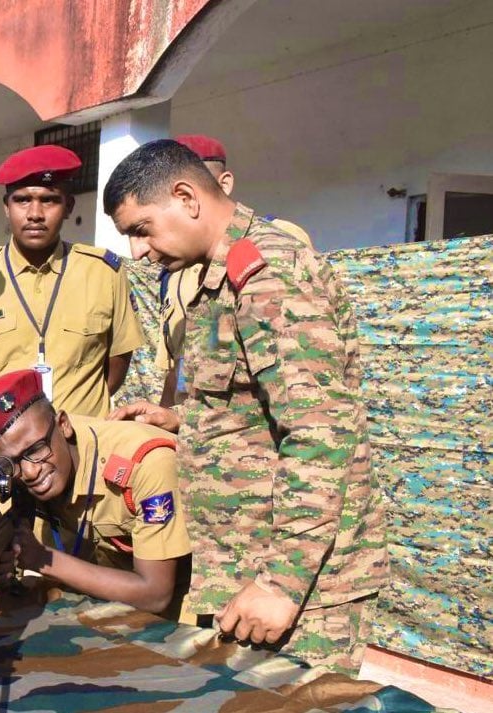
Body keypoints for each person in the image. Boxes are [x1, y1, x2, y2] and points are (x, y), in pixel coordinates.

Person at [103, 139, 388, 674]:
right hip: (243, 568)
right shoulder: (219, 279)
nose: (139, 251)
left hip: (299, 589)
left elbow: (321, 432)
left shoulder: (269, 274)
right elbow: (260, 407)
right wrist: (186, 421)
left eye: (142, 229)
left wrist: (281, 584)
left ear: (186, 197)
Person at [0, 145, 144, 464]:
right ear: (6, 207)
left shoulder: (104, 273)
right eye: (22, 200)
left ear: (68, 205)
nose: (35, 213)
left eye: (49, 200)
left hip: (76, 453)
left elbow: (116, 362)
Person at [0, 370, 191, 616]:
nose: (30, 471)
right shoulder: (31, 455)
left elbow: (155, 594)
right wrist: (1, 563)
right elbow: (12, 534)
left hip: (185, 600)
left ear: (63, 425)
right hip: (107, 589)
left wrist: (41, 558)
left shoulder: (146, 464)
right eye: (12, 463)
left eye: (35, 450)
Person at [157, 134, 312, 406]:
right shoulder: (175, 273)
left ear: (224, 184)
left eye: (189, 195)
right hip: (192, 424)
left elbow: (304, 383)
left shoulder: (274, 243)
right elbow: (174, 371)